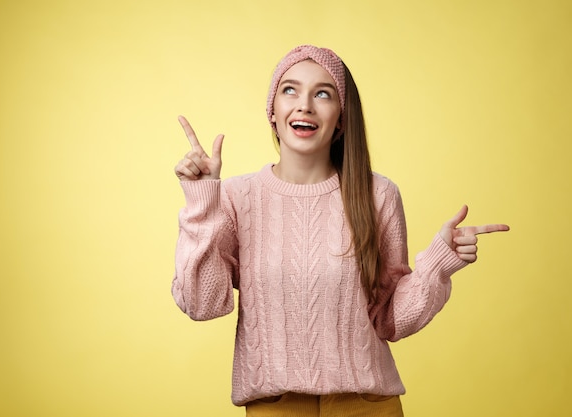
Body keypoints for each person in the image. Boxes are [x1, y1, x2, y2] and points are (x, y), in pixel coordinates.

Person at [172, 45, 509, 417]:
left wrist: (435, 267)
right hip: (276, 408)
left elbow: (389, 319)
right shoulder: (236, 197)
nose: (304, 105)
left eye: (322, 94)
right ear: (273, 111)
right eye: (290, 90)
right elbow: (204, 305)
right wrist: (203, 201)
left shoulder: (377, 194)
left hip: (367, 406)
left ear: (342, 119)